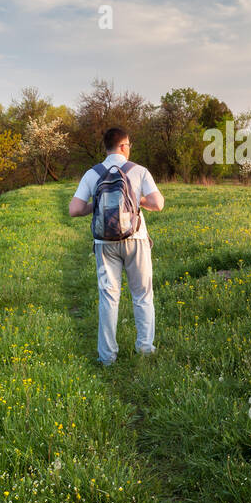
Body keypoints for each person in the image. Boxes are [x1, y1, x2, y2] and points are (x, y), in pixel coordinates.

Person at [68, 127, 164, 365]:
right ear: (123, 146)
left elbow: (74, 209)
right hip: (136, 240)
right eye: (129, 144)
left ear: (106, 147)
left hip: (104, 243)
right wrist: (137, 200)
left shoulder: (93, 173)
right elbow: (158, 204)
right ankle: (145, 349)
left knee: (108, 298)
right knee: (142, 295)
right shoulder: (139, 171)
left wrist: (97, 204)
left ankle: (107, 357)